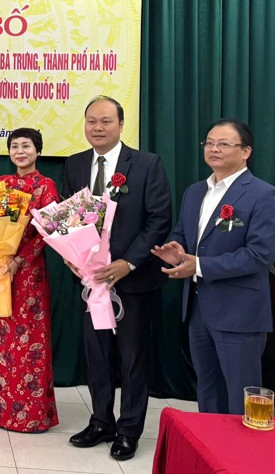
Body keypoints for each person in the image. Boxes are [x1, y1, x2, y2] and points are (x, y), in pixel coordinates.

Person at [61, 96, 172, 461]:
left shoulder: (146, 164)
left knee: (132, 358)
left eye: (106, 121)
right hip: (91, 282)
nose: (98, 127)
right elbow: (67, 221)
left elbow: (158, 220)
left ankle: (128, 430)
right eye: (91, 121)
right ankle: (100, 421)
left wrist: (128, 263)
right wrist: (74, 261)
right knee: (97, 356)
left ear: (121, 125)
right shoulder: (75, 165)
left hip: (132, 281)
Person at [152, 119, 275, 414]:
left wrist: (198, 266)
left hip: (239, 312)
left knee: (240, 393)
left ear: (246, 151)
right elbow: (183, 235)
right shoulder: (195, 192)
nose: (214, 149)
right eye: (209, 143)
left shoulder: (264, 194)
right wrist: (176, 251)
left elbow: (259, 255)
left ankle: (242, 458)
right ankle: (211, 454)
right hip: (198, 309)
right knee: (208, 389)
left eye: (224, 144)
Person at [0, 128, 59, 432]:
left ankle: (30, 415)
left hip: (28, 274)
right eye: (14, 146)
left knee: (28, 339)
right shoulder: (1, 184)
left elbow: (46, 234)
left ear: (37, 150)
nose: (20, 151)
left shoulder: (46, 186)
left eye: (26, 146)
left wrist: (18, 260)